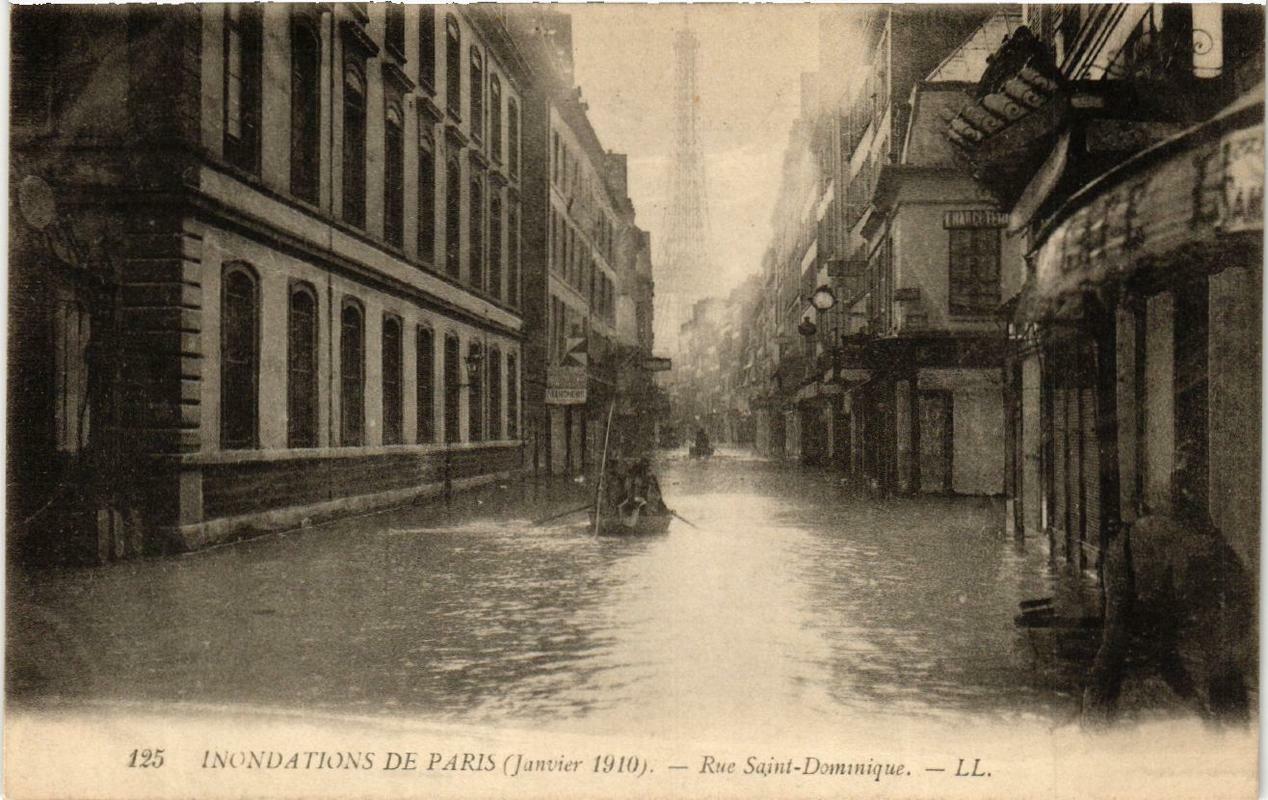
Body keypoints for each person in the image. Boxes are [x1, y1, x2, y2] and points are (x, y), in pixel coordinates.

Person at [1083, 448, 1254, 724]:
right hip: (1128, 563)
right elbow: (1164, 654)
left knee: (1194, 654)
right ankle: (1095, 723)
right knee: (1115, 645)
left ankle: (1223, 721)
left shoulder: (1209, 544)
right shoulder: (1172, 537)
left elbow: (1170, 653)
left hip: (1158, 566)